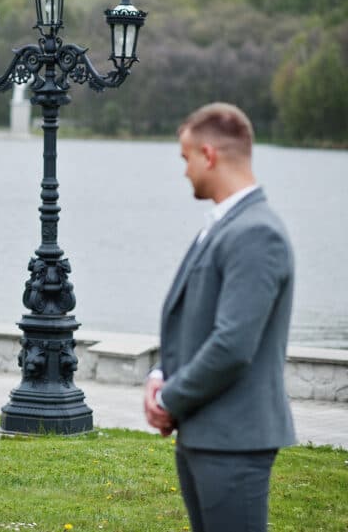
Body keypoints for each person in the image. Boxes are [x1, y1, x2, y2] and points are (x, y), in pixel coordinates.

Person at [143, 103, 295, 532]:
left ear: (209, 155)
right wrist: (161, 374)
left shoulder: (256, 233)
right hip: (205, 432)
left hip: (235, 440)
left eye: (186, 158)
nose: (185, 171)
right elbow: (197, 322)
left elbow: (233, 345)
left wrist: (168, 400)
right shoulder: (224, 225)